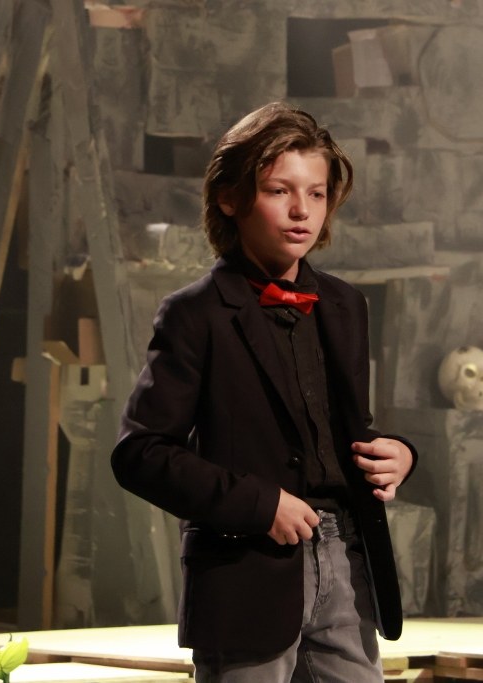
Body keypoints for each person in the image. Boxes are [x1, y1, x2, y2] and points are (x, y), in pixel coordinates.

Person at [111, 102, 418, 682]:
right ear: (230, 198)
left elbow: (333, 433)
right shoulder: (195, 313)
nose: (302, 210)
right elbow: (140, 454)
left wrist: (400, 454)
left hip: (347, 562)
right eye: (280, 191)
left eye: (317, 193)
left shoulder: (345, 305)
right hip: (246, 570)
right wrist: (260, 505)